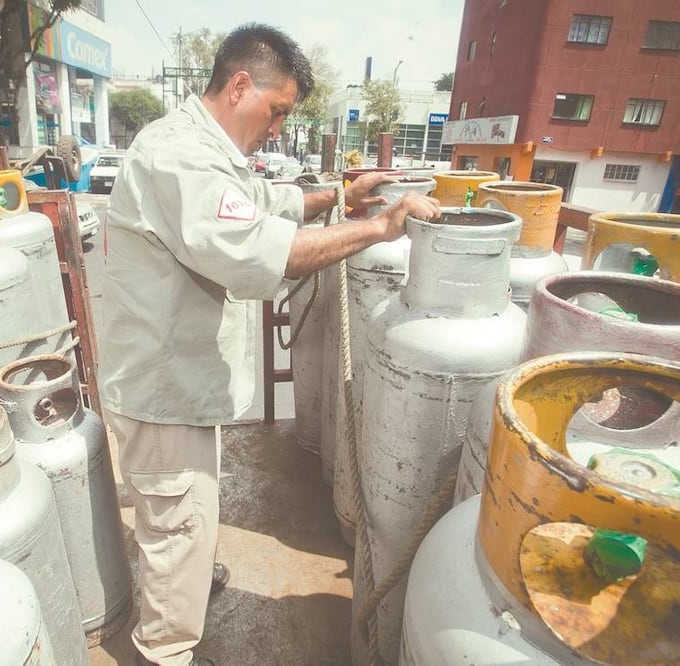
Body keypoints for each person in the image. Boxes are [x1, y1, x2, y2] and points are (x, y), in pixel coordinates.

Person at [100, 23, 442, 666]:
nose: (280, 126)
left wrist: (338, 196)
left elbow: (262, 202)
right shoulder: (175, 155)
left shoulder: (205, 149)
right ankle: (165, 646)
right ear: (238, 86)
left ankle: (188, 580)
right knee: (176, 524)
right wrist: (378, 227)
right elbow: (266, 250)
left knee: (184, 516)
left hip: (180, 383)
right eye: (278, 109)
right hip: (160, 390)